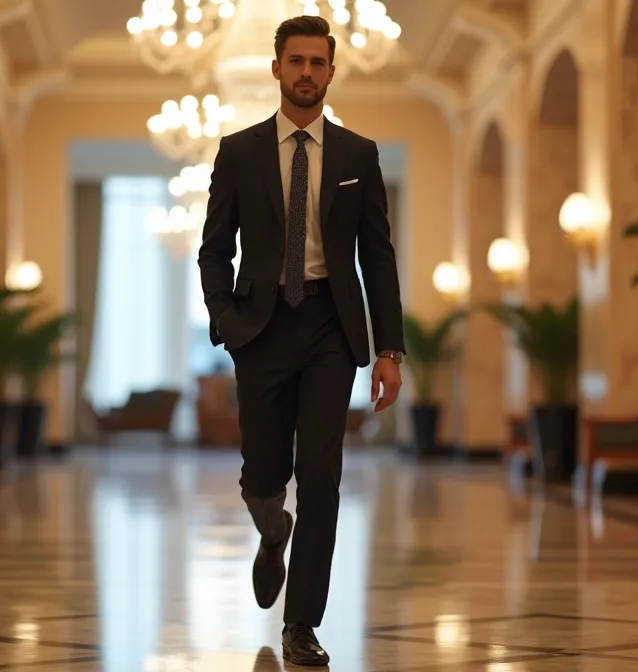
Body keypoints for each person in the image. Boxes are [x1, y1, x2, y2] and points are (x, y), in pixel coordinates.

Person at [196, 14, 406, 667]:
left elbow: (378, 257)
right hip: (259, 330)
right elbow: (212, 252)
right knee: (264, 473)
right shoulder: (238, 151)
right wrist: (226, 321)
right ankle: (270, 525)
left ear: (331, 72)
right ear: (277, 69)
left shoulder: (357, 155)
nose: (307, 73)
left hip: (328, 330)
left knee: (322, 472)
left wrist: (389, 351)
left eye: (318, 62)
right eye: (297, 62)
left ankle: (302, 625)